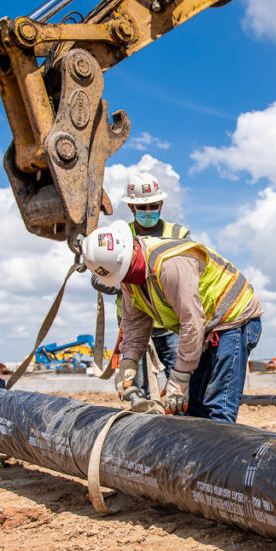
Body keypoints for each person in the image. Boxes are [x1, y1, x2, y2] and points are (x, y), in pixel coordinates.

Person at [82, 221, 263, 422]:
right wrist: (129, 361)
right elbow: (134, 323)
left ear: (131, 249)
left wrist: (180, 376)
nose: (124, 278)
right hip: (206, 325)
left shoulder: (169, 265)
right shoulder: (129, 277)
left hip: (233, 316)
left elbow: (191, 321)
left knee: (218, 405)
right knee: (193, 403)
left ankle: (220, 440)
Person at [91, 171, 190, 403]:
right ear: (132, 207)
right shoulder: (118, 237)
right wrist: (129, 283)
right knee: (135, 386)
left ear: (161, 205)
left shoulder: (178, 234)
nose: (148, 211)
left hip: (169, 323)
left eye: (153, 206)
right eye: (142, 207)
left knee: (181, 382)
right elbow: (97, 278)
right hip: (132, 323)